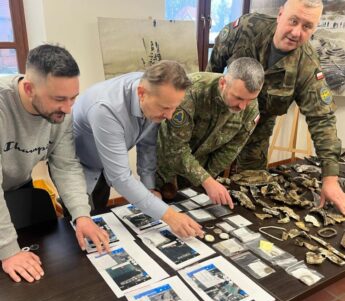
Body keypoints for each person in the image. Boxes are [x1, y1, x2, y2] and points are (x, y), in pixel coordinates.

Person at [206, 0, 345, 215]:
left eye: (307, 26)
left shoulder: (306, 64)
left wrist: (330, 178)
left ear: (314, 29)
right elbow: (212, 69)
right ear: (280, 15)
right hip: (221, 118)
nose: (296, 32)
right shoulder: (245, 29)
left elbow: (322, 119)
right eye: (293, 20)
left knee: (251, 192)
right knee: (200, 181)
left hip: (258, 128)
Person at [0, 44, 110, 283]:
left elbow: (66, 165)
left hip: (17, 184)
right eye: (60, 99)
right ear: (29, 88)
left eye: (73, 98)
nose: (68, 108)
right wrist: (8, 251)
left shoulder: (61, 112)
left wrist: (82, 216)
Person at [73, 60, 204, 239]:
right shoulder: (106, 108)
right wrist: (170, 216)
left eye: (174, 107)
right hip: (78, 168)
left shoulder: (153, 95)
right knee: (83, 229)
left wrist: (149, 187)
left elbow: (147, 145)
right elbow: (119, 177)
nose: (169, 115)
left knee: (101, 218)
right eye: (165, 108)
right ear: (141, 93)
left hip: (104, 167)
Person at [157, 57, 264, 206]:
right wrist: (206, 181)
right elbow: (176, 149)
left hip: (202, 168)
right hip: (166, 168)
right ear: (223, 83)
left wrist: (206, 179)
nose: (243, 107)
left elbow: (231, 149)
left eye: (250, 99)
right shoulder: (190, 92)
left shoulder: (250, 108)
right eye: (238, 98)